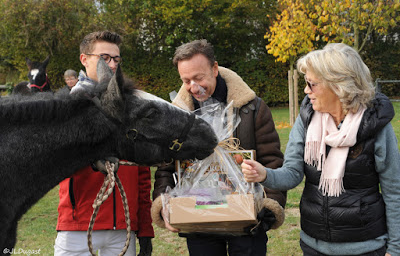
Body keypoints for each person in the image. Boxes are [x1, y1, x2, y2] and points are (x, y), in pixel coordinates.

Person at [241, 43, 400, 256]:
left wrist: (395, 249)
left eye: (312, 83)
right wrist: (264, 174)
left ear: (338, 85)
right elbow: (292, 173)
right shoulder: (307, 119)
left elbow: (394, 191)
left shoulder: (376, 125)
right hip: (313, 246)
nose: (306, 90)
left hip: (366, 248)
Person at [151, 39, 286, 255]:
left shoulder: (252, 108)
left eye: (198, 78)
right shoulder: (177, 115)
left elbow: (272, 161)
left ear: (215, 69)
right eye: (186, 81)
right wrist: (163, 203)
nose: (193, 87)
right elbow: (166, 167)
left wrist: (269, 206)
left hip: (247, 222)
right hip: (198, 221)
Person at [54, 31, 154, 256]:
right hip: (78, 226)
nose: (111, 64)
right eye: (104, 58)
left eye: (116, 59)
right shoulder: (66, 106)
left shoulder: (133, 107)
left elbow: (142, 172)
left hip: (123, 229)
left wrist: (145, 228)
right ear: (84, 59)